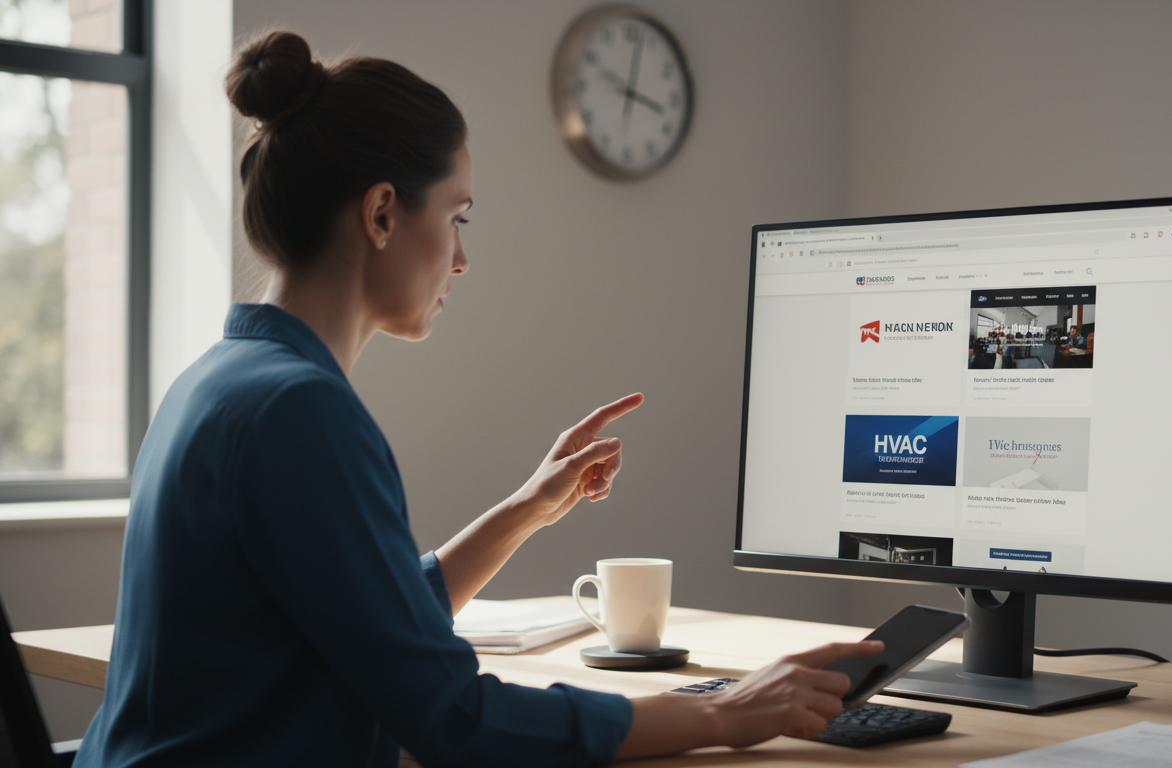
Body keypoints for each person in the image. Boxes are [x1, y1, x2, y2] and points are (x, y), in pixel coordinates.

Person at [71, 32, 881, 768]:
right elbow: (453, 719)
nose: (462, 259)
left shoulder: (216, 383)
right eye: (457, 217)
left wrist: (527, 508)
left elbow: (372, 626)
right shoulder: (298, 412)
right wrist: (721, 714)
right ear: (382, 212)